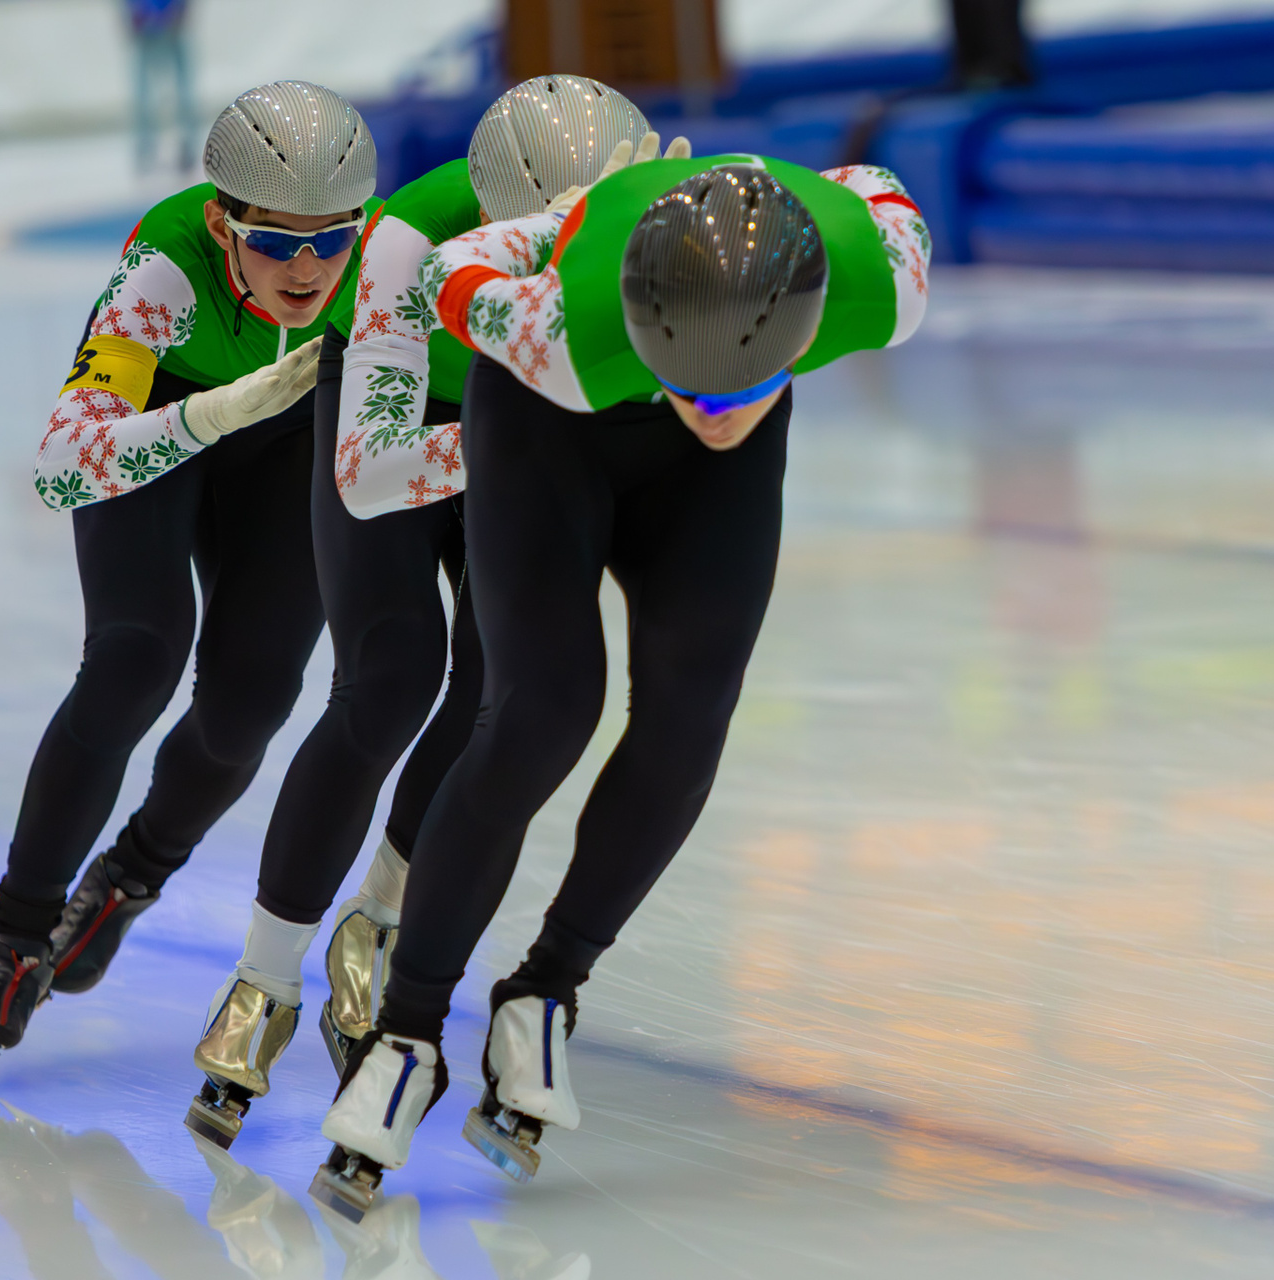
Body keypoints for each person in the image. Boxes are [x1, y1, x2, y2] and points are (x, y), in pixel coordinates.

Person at [310, 149, 932, 1217]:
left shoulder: (883, 281)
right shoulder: (551, 331)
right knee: (543, 712)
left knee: (691, 715)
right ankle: (407, 1033)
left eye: (746, 385)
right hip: (551, 424)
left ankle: (546, 989)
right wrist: (555, 225)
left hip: (703, 475)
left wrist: (770, 180)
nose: (716, 409)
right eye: (691, 384)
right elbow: (449, 267)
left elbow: (874, 178)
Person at [182, 76, 652, 1150]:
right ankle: (263, 978)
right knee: (388, 680)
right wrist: (522, 449)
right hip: (401, 416)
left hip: (521, 417)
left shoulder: (647, 233)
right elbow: (375, 474)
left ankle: (380, 919)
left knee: (502, 691)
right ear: (487, 220)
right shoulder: (404, 243)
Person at [0, 81, 379, 1095]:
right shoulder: (163, 273)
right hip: (166, 419)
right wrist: (206, 416)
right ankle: (15, 936)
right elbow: (65, 466)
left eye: (333, 239)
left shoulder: (381, 265)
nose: (308, 268)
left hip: (290, 433)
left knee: (251, 702)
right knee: (134, 659)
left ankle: (129, 876)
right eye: (276, 243)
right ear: (224, 226)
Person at [125, 0, 199, 172]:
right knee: (148, 93)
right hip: (151, 22)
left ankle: (182, 145)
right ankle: (147, 148)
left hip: (164, 20)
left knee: (175, 91)